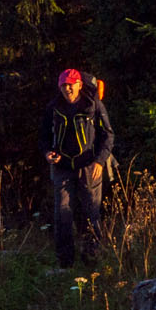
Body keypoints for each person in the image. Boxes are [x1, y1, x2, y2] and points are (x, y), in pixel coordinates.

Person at [40, 67, 113, 269]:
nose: (68, 89)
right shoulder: (53, 107)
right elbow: (44, 136)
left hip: (90, 167)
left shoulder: (93, 105)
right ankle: (65, 264)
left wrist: (99, 161)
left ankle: (92, 261)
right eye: (64, 85)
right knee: (62, 213)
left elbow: (108, 136)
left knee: (92, 213)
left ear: (80, 85)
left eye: (71, 85)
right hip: (62, 167)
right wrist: (47, 153)